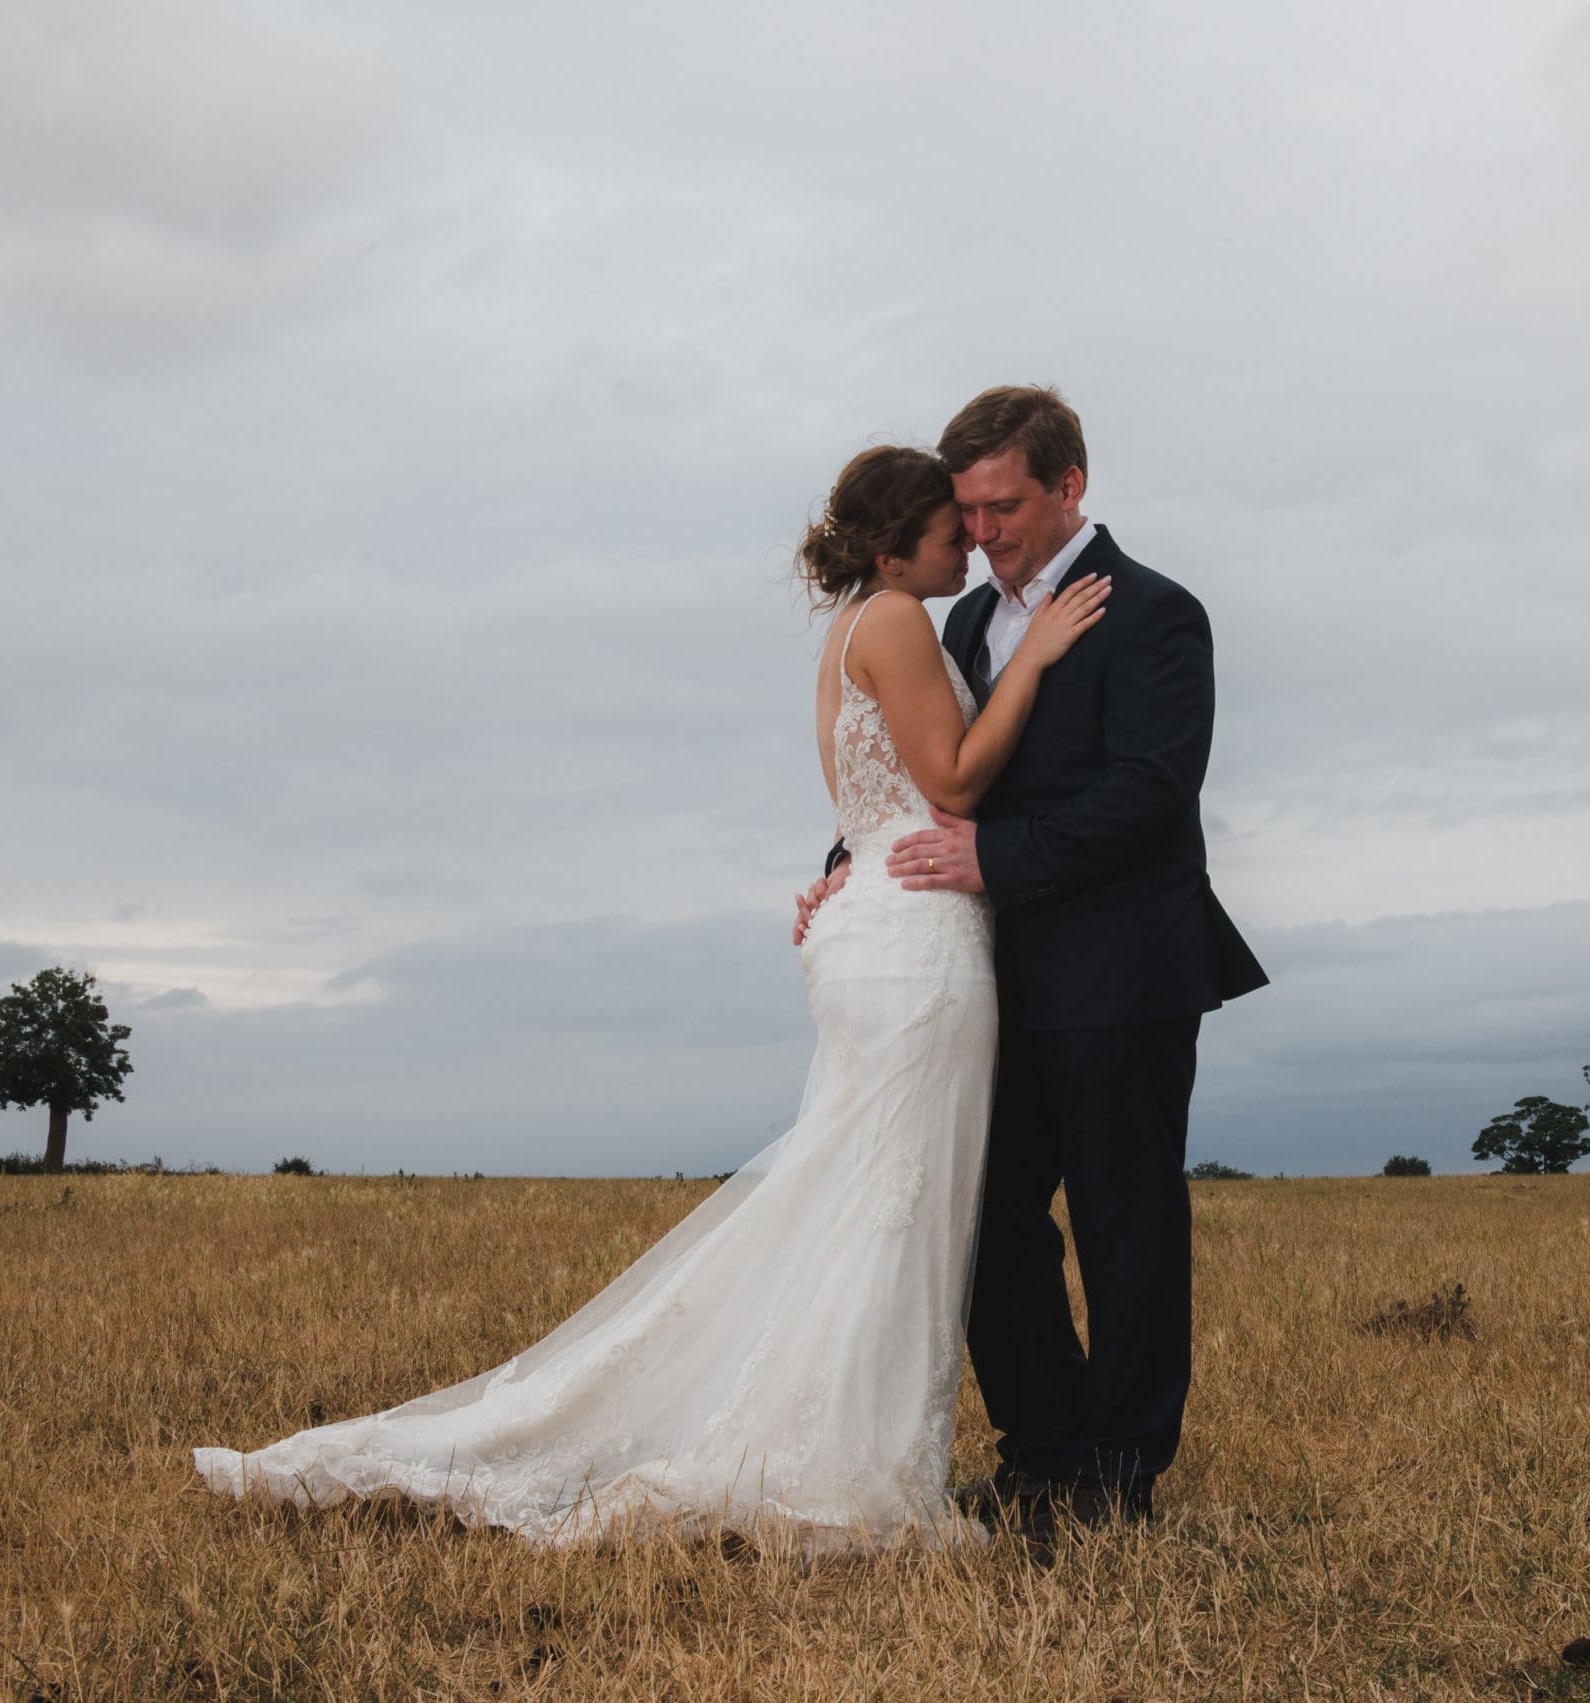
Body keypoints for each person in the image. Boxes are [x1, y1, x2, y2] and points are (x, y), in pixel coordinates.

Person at [192, 444, 1108, 1554]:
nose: (966, 537)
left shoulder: (862, 626)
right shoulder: (900, 622)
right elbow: (954, 780)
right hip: (913, 940)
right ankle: (827, 1460)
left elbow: (891, 791)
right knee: (889, 1201)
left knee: (875, 1197)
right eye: (945, 525)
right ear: (888, 547)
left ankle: (839, 1444)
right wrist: (1038, 659)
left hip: (888, 914)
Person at [797, 385, 1268, 1535]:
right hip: (981, 978)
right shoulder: (954, 623)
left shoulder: (1158, 612)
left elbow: (1151, 791)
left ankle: (1120, 1471)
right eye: (967, 512)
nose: (986, 532)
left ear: (1070, 487)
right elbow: (928, 763)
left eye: (1004, 506)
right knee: (985, 1213)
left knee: (1124, 1219)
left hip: (1121, 968)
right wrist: (850, 859)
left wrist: (989, 859)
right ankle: (1042, 1453)